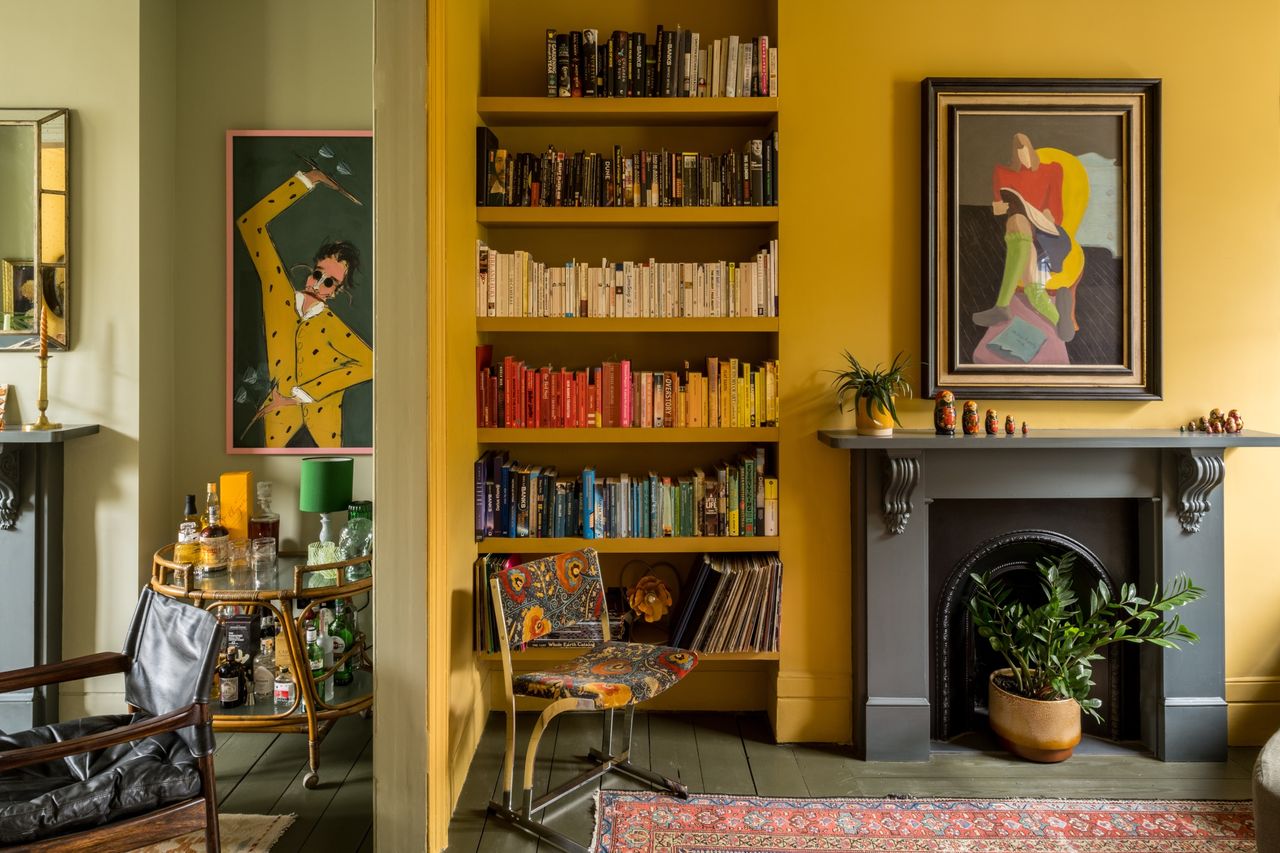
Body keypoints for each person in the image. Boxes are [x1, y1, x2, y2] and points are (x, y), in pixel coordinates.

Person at [236, 168, 372, 448]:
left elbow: (371, 364)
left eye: (329, 282)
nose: (317, 284)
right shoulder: (278, 294)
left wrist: (306, 392)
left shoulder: (333, 326)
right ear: (311, 271)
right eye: (317, 274)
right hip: (278, 430)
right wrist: (308, 180)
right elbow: (251, 224)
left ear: (336, 291)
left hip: (323, 436)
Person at [972, 133, 1076, 342]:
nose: (1022, 155)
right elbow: (1000, 208)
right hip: (1021, 236)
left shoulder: (1052, 169)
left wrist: (1048, 214)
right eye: (1017, 151)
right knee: (1034, 291)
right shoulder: (1002, 173)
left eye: (1025, 149)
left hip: (1048, 236)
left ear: (1031, 148)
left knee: (1018, 220)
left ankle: (1001, 306)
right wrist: (998, 208)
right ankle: (1061, 321)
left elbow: (1057, 212)